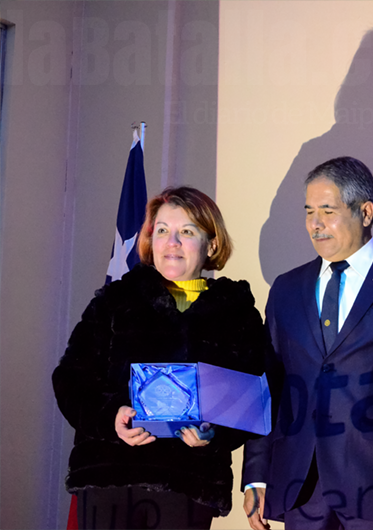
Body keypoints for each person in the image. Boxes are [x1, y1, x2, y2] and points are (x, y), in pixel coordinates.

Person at [242, 156, 373, 530]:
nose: (315, 224)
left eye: (328, 210)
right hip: (300, 487)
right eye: (309, 212)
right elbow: (268, 387)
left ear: (366, 212)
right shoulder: (286, 289)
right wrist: (257, 474)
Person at [52, 186, 266, 529]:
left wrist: (215, 434)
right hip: (109, 476)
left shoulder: (236, 312)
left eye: (186, 232)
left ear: (211, 244)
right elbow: (69, 379)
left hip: (188, 483)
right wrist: (112, 417)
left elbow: (253, 397)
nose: (172, 242)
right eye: (162, 231)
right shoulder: (115, 300)